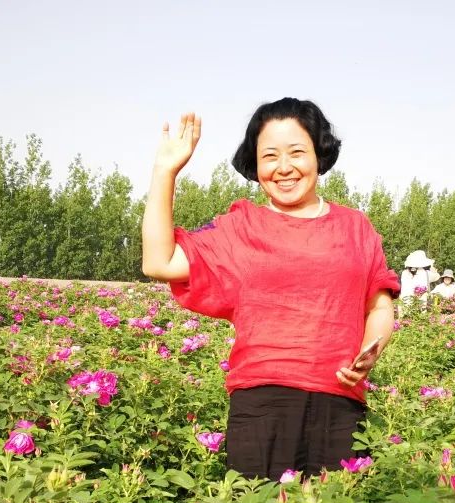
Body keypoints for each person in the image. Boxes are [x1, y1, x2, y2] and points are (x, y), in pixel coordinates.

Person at [140, 99, 399, 481]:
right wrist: (165, 172)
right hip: (261, 405)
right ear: (255, 163)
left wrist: (371, 348)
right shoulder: (239, 227)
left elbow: (378, 305)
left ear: (319, 153)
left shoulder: (356, 227)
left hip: (341, 404)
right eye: (270, 156)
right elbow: (158, 262)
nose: (283, 168)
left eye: (297, 152)